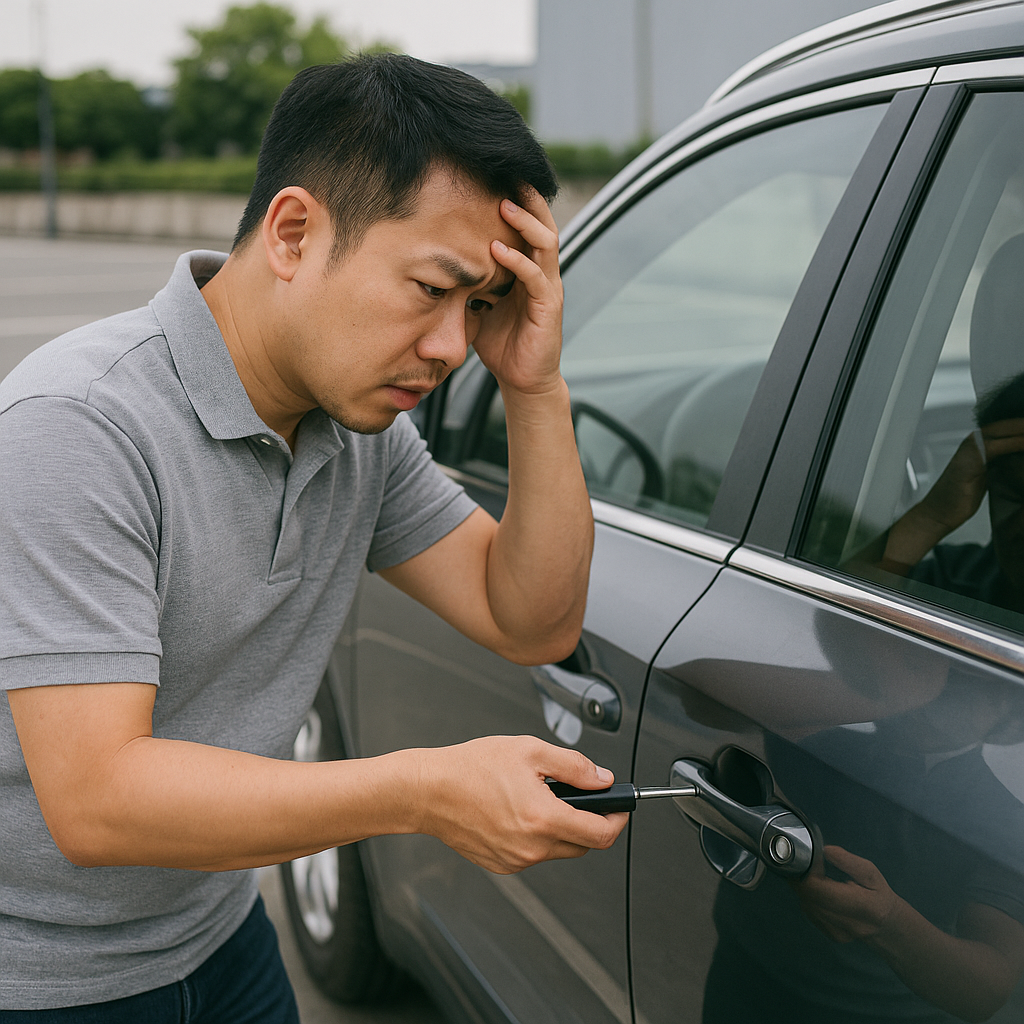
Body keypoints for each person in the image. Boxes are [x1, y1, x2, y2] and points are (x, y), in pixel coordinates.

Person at [0, 55, 628, 1020]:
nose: (453, 348)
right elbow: (98, 797)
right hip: (43, 980)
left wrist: (534, 387)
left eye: (481, 308)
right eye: (432, 289)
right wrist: (424, 791)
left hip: (221, 934)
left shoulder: (356, 431)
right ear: (294, 233)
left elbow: (531, 620)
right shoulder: (79, 425)